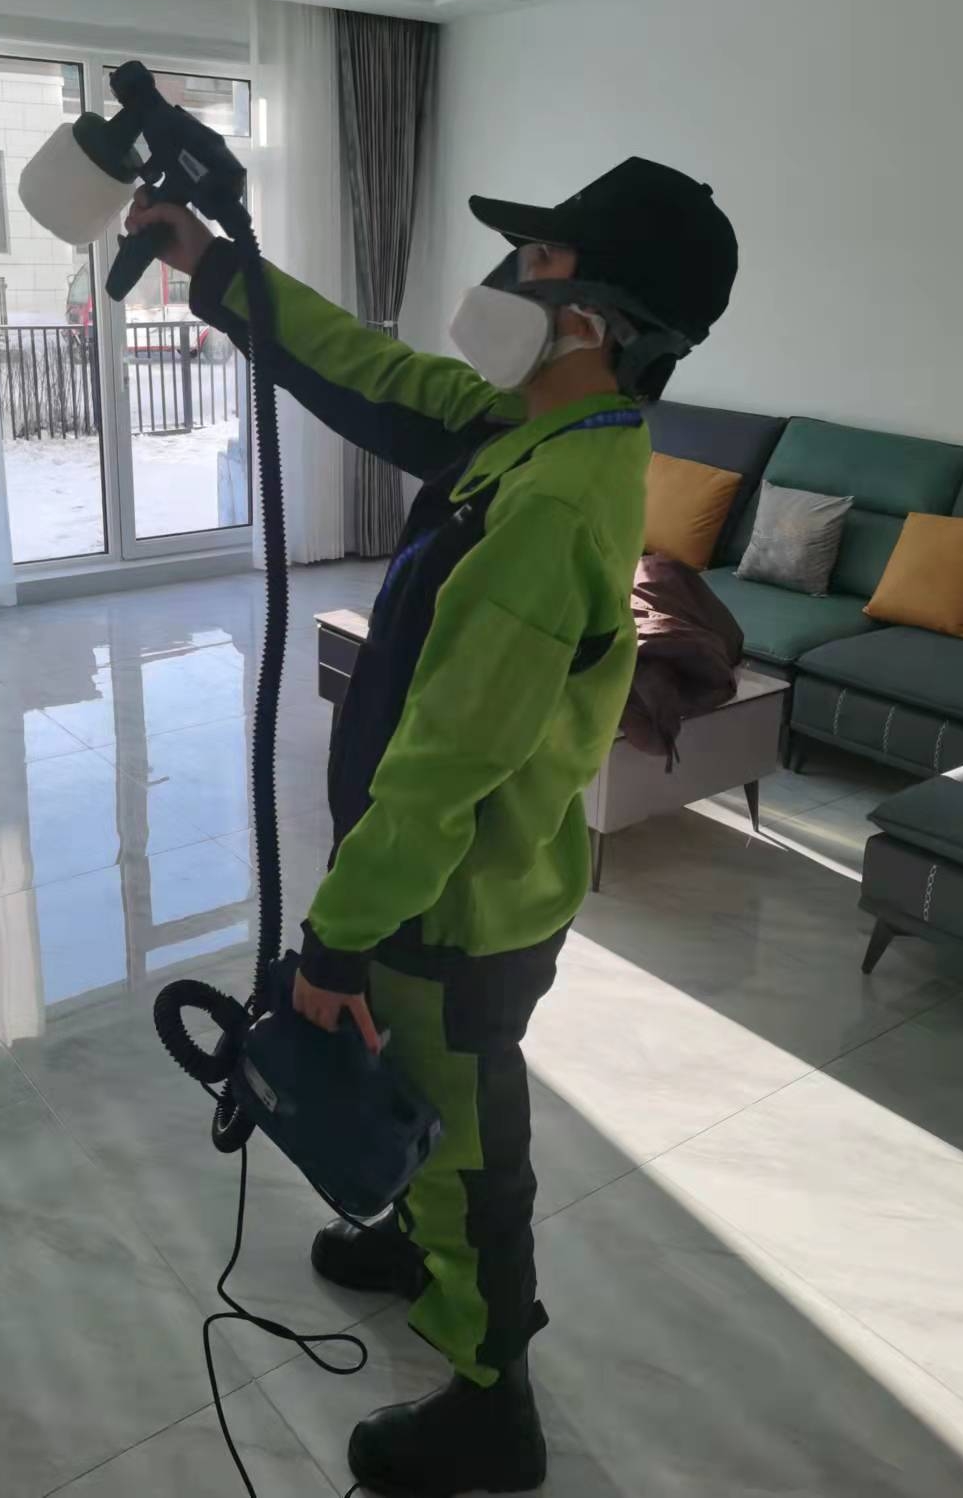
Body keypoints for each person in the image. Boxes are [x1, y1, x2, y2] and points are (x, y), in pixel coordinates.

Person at [126, 158, 737, 1497]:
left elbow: (444, 769)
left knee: (470, 1150)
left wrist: (339, 942)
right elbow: (375, 376)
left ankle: (489, 1401)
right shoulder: (535, 429)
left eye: (541, 264)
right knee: (419, 1091)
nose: (508, 277)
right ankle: (411, 1242)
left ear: (596, 319)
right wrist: (213, 267)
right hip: (446, 889)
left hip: (452, 908)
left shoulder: (549, 507)